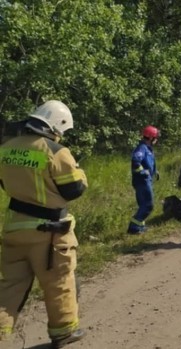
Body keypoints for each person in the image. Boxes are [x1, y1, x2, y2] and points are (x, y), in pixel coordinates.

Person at [0, 100, 88, 348]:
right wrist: (80, 171)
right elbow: (74, 189)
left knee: (10, 287)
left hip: (14, 228)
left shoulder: (6, 148)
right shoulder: (55, 151)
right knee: (59, 281)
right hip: (49, 233)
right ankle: (64, 332)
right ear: (56, 126)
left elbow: (5, 185)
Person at [127, 125, 160, 234]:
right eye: (155, 137)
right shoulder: (142, 148)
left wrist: (155, 171)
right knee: (148, 205)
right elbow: (136, 161)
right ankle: (133, 227)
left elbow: (148, 162)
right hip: (142, 181)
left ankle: (140, 226)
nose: (157, 139)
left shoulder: (148, 148)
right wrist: (143, 172)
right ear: (151, 138)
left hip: (145, 180)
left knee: (144, 205)